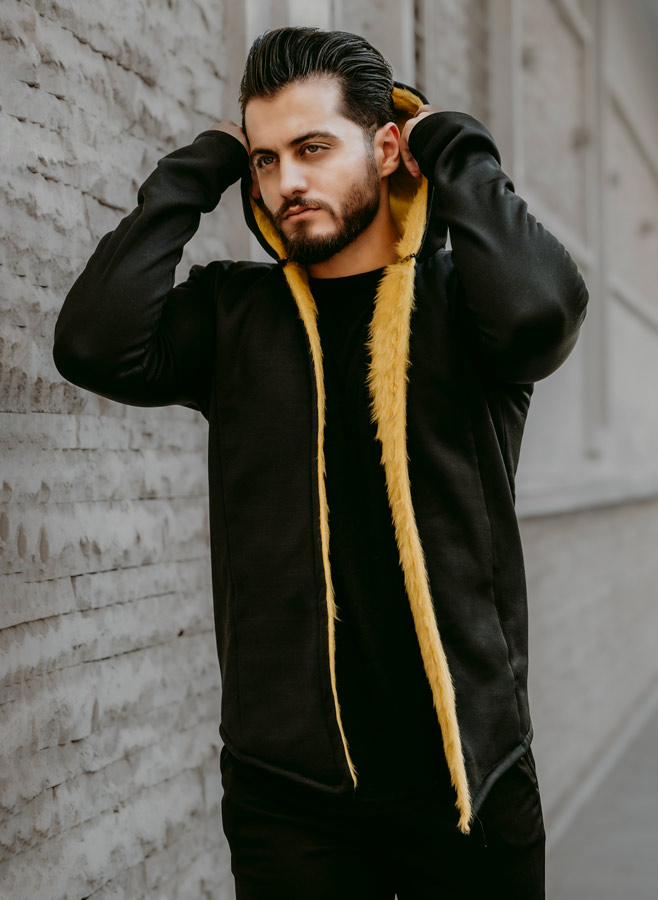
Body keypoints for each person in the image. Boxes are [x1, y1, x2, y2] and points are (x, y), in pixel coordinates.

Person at [54, 25, 588, 900]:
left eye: (312, 148)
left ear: (386, 148)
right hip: (288, 798)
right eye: (265, 160)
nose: (285, 184)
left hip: (470, 783)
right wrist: (203, 165)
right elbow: (93, 343)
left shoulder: (464, 306)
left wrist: (451, 141)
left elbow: (541, 312)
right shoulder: (233, 314)